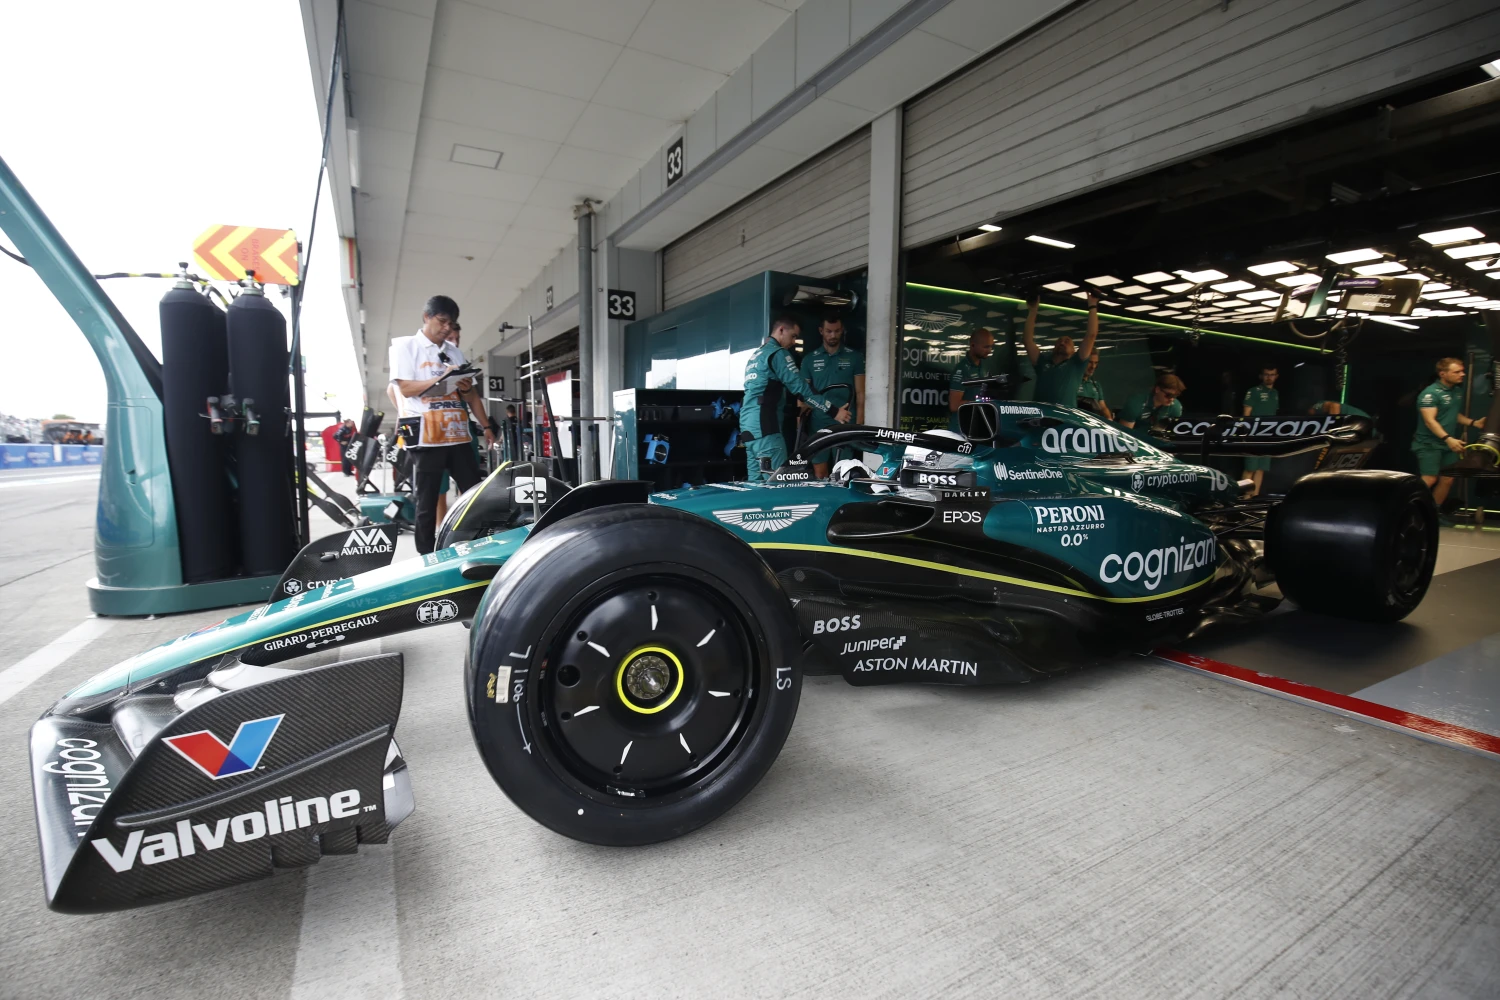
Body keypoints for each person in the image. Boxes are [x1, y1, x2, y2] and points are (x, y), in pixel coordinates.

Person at [389, 295, 495, 553]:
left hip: (458, 435)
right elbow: (404, 388)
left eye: (452, 323)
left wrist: (487, 426)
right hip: (426, 437)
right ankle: (425, 557)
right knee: (426, 502)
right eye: (442, 321)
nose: (447, 327)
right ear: (427, 317)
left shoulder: (454, 351)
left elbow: (470, 395)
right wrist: (442, 380)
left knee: (473, 494)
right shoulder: (406, 347)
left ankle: (473, 546)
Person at [739, 313, 850, 481]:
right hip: (766, 428)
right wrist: (834, 411)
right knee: (778, 486)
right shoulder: (778, 354)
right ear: (781, 330)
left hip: (748, 427)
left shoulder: (757, 355)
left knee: (756, 487)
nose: (793, 342)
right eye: (793, 336)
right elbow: (800, 388)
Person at [1413, 357, 1485, 512]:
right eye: (1457, 372)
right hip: (1429, 444)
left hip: (1447, 444)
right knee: (1430, 478)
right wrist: (1448, 439)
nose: (1463, 374)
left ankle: (1434, 513)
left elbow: (1452, 414)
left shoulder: (1456, 391)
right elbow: (1430, 422)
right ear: (1443, 374)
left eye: (1463, 371)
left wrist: (1474, 423)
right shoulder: (1430, 394)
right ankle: (1412, 510)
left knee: (1448, 479)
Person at [801, 313, 864, 478]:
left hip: (845, 422)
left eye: (837, 331)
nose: (833, 335)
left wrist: (858, 427)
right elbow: (802, 397)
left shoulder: (854, 357)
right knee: (820, 472)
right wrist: (800, 428)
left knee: (842, 471)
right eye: (829, 331)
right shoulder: (809, 360)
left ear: (842, 330)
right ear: (821, 331)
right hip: (818, 423)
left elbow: (860, 394)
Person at [1023, 291, 1100, 407]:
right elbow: (1027, 340)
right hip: (1039, 417)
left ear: (1074, 351)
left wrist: (1092, 305)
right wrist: (1032, 310)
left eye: (1067, 341)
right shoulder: (1042, 362)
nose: (1062, 343)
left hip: (1065, 419)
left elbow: (1091, 335)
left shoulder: (1076, 364)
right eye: (1059, 341)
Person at [1242, 365, 1280, 497]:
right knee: (1250, 468)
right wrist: (1246, 432)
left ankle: (1254, 499)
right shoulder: (1253, 391)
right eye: (1266, 374)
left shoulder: (1275, 393)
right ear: (1261, 376)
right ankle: (1244, 499)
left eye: (1272, 374)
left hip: (1267, 436)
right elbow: (1246, 414)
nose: (1269, 377)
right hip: (1253, 435)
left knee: (1261, 469)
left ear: (1276, 376)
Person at [947, 327, 995, 431]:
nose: (989, 350)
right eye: (986, 347)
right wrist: (980, 401)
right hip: (961, 430)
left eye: (991, 347)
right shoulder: (961, 369)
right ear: (972, 345)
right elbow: (954, 405)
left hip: (978, 426)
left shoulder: (985, 366)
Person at [1118, 374, 1185, 432]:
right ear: (1157, 389)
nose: (1171, 399)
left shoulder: (1175, 407)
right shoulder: (1135, 403)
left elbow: (1171, 432)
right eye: (1168, 395)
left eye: (1175, 396)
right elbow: (1125, 433)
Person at [1076, 352, 1113, 420]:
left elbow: (1103, 407)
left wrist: (1109, 418)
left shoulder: (1096, 384)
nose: (1093, 366)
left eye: (1096, 363)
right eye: (1090, 362)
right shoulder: (1072, 382)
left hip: (1093, 424)